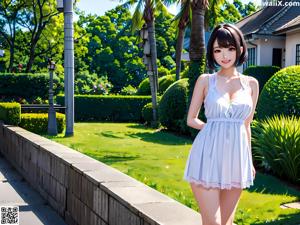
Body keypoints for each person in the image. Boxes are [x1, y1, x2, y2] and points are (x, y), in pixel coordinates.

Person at [183, 23, 259, 225]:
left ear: (240, 49)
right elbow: (191, 119)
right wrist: (210, 127)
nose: (224, 55)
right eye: (218, 50)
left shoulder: (251, 84)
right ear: (212, 52)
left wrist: (249, 161)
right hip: (207, 156)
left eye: (230, 49)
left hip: (236, 159)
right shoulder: (206, 80)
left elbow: (246, 124)